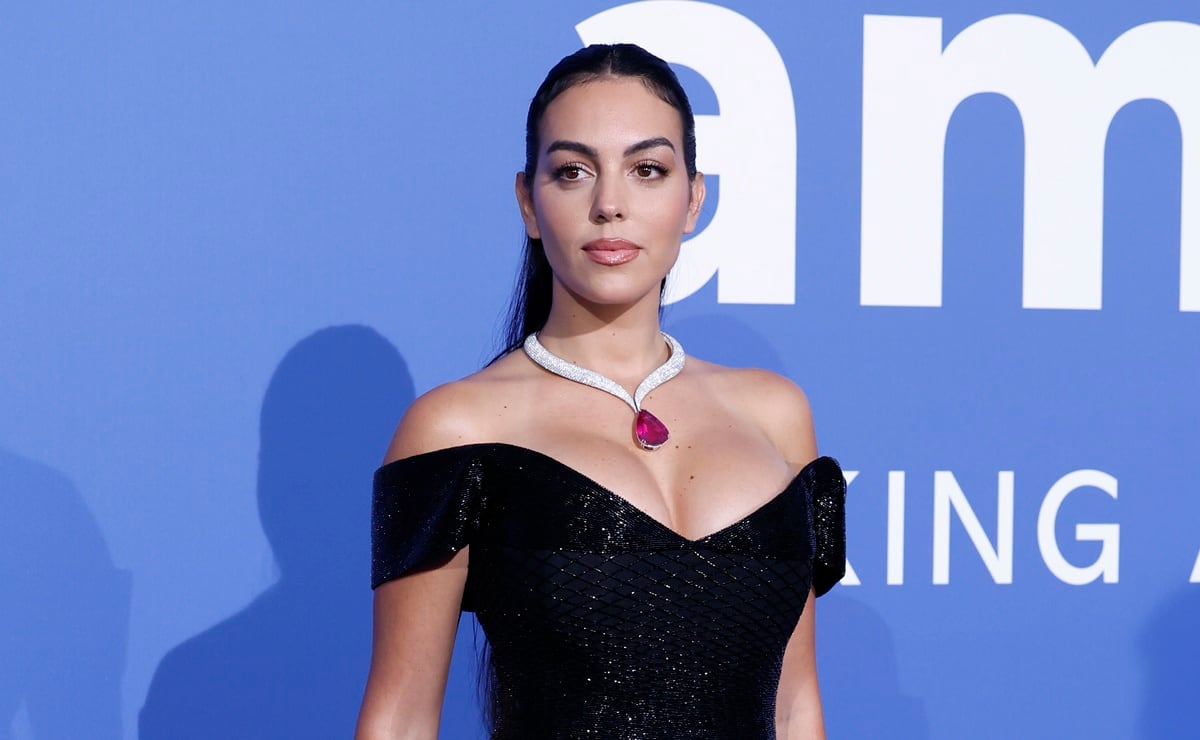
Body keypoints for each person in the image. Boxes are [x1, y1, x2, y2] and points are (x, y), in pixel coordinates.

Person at [355, 44, 845, 740]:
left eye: (647, 170)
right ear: (528, 202)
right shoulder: (455, 429)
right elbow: (401, 719)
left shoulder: (776, 415)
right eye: (572, 171)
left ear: (693, 199)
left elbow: (795, 707)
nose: (609, 205)